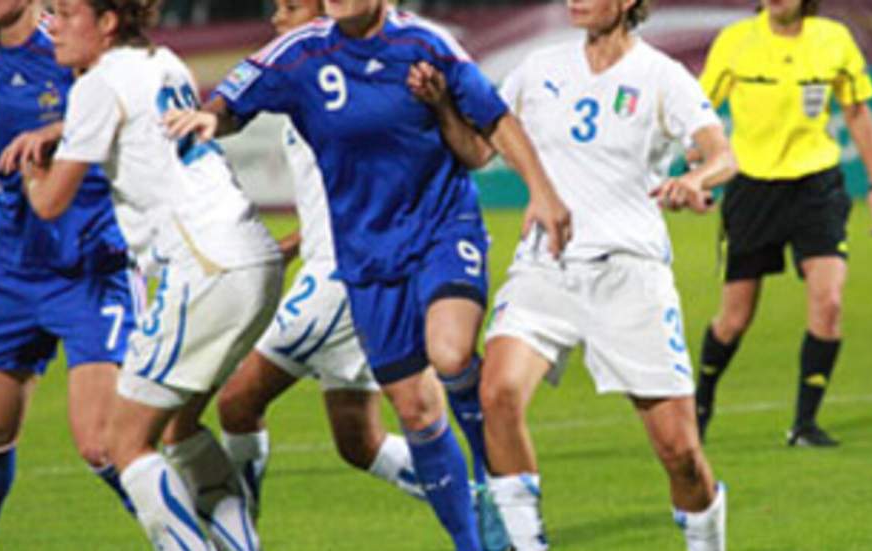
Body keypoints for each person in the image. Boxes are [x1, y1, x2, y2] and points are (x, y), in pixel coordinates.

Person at [165, 0, 571, 548]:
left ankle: (497, 487)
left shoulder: (425, 44)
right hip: (366, 260)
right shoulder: (302, 52)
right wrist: (212, 115)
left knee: (450, 354)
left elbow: (494, 118)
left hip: (440, 232)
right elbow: (237, 95)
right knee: (413, 411)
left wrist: (542, 194)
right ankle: (474, 541)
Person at [410, 0, 736, 548]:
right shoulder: (538, 69)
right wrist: (444, 108)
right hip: (546, 267)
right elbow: (476, 150)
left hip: (628, 274)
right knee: (498, 395)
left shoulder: (661, 75)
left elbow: (723, 155)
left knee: (679, 452)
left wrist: (696, 178)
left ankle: (707, 541)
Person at [20, 0, 285, 548]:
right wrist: (63, 128)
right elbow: (132, 119)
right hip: (250, 256)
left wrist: (30, 172)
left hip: (205, 265)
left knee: (124, 442)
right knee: (180, 429)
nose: (54, 26)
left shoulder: (98, 84)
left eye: (68, 13)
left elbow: (50, 202)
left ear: (108, 21)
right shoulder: (166, 61)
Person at [213, 0, 423, 515]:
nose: (275, 19)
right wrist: (284, 248)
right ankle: (481, 504)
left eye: (290, 8)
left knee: (237, 401)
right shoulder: (306, 86)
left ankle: (234, 537)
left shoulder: (349, 88)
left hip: (343, 276)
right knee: (359, 441)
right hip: (340, 268)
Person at [0, 2, 137, 548]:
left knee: (101, 445)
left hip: (90, 266)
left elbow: (130, 99)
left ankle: (193, 536)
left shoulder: (71, 43)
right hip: (13, 268)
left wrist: (64, 128)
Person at [693, 0, 872, 447]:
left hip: (816, 188)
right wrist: (701, 173)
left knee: (830, 302)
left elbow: (857, 111)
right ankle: (700, 402)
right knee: (734, 318)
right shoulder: (736, 41)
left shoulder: (834, 40)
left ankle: (804, 424)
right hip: (752, 189)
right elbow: (700, 113)